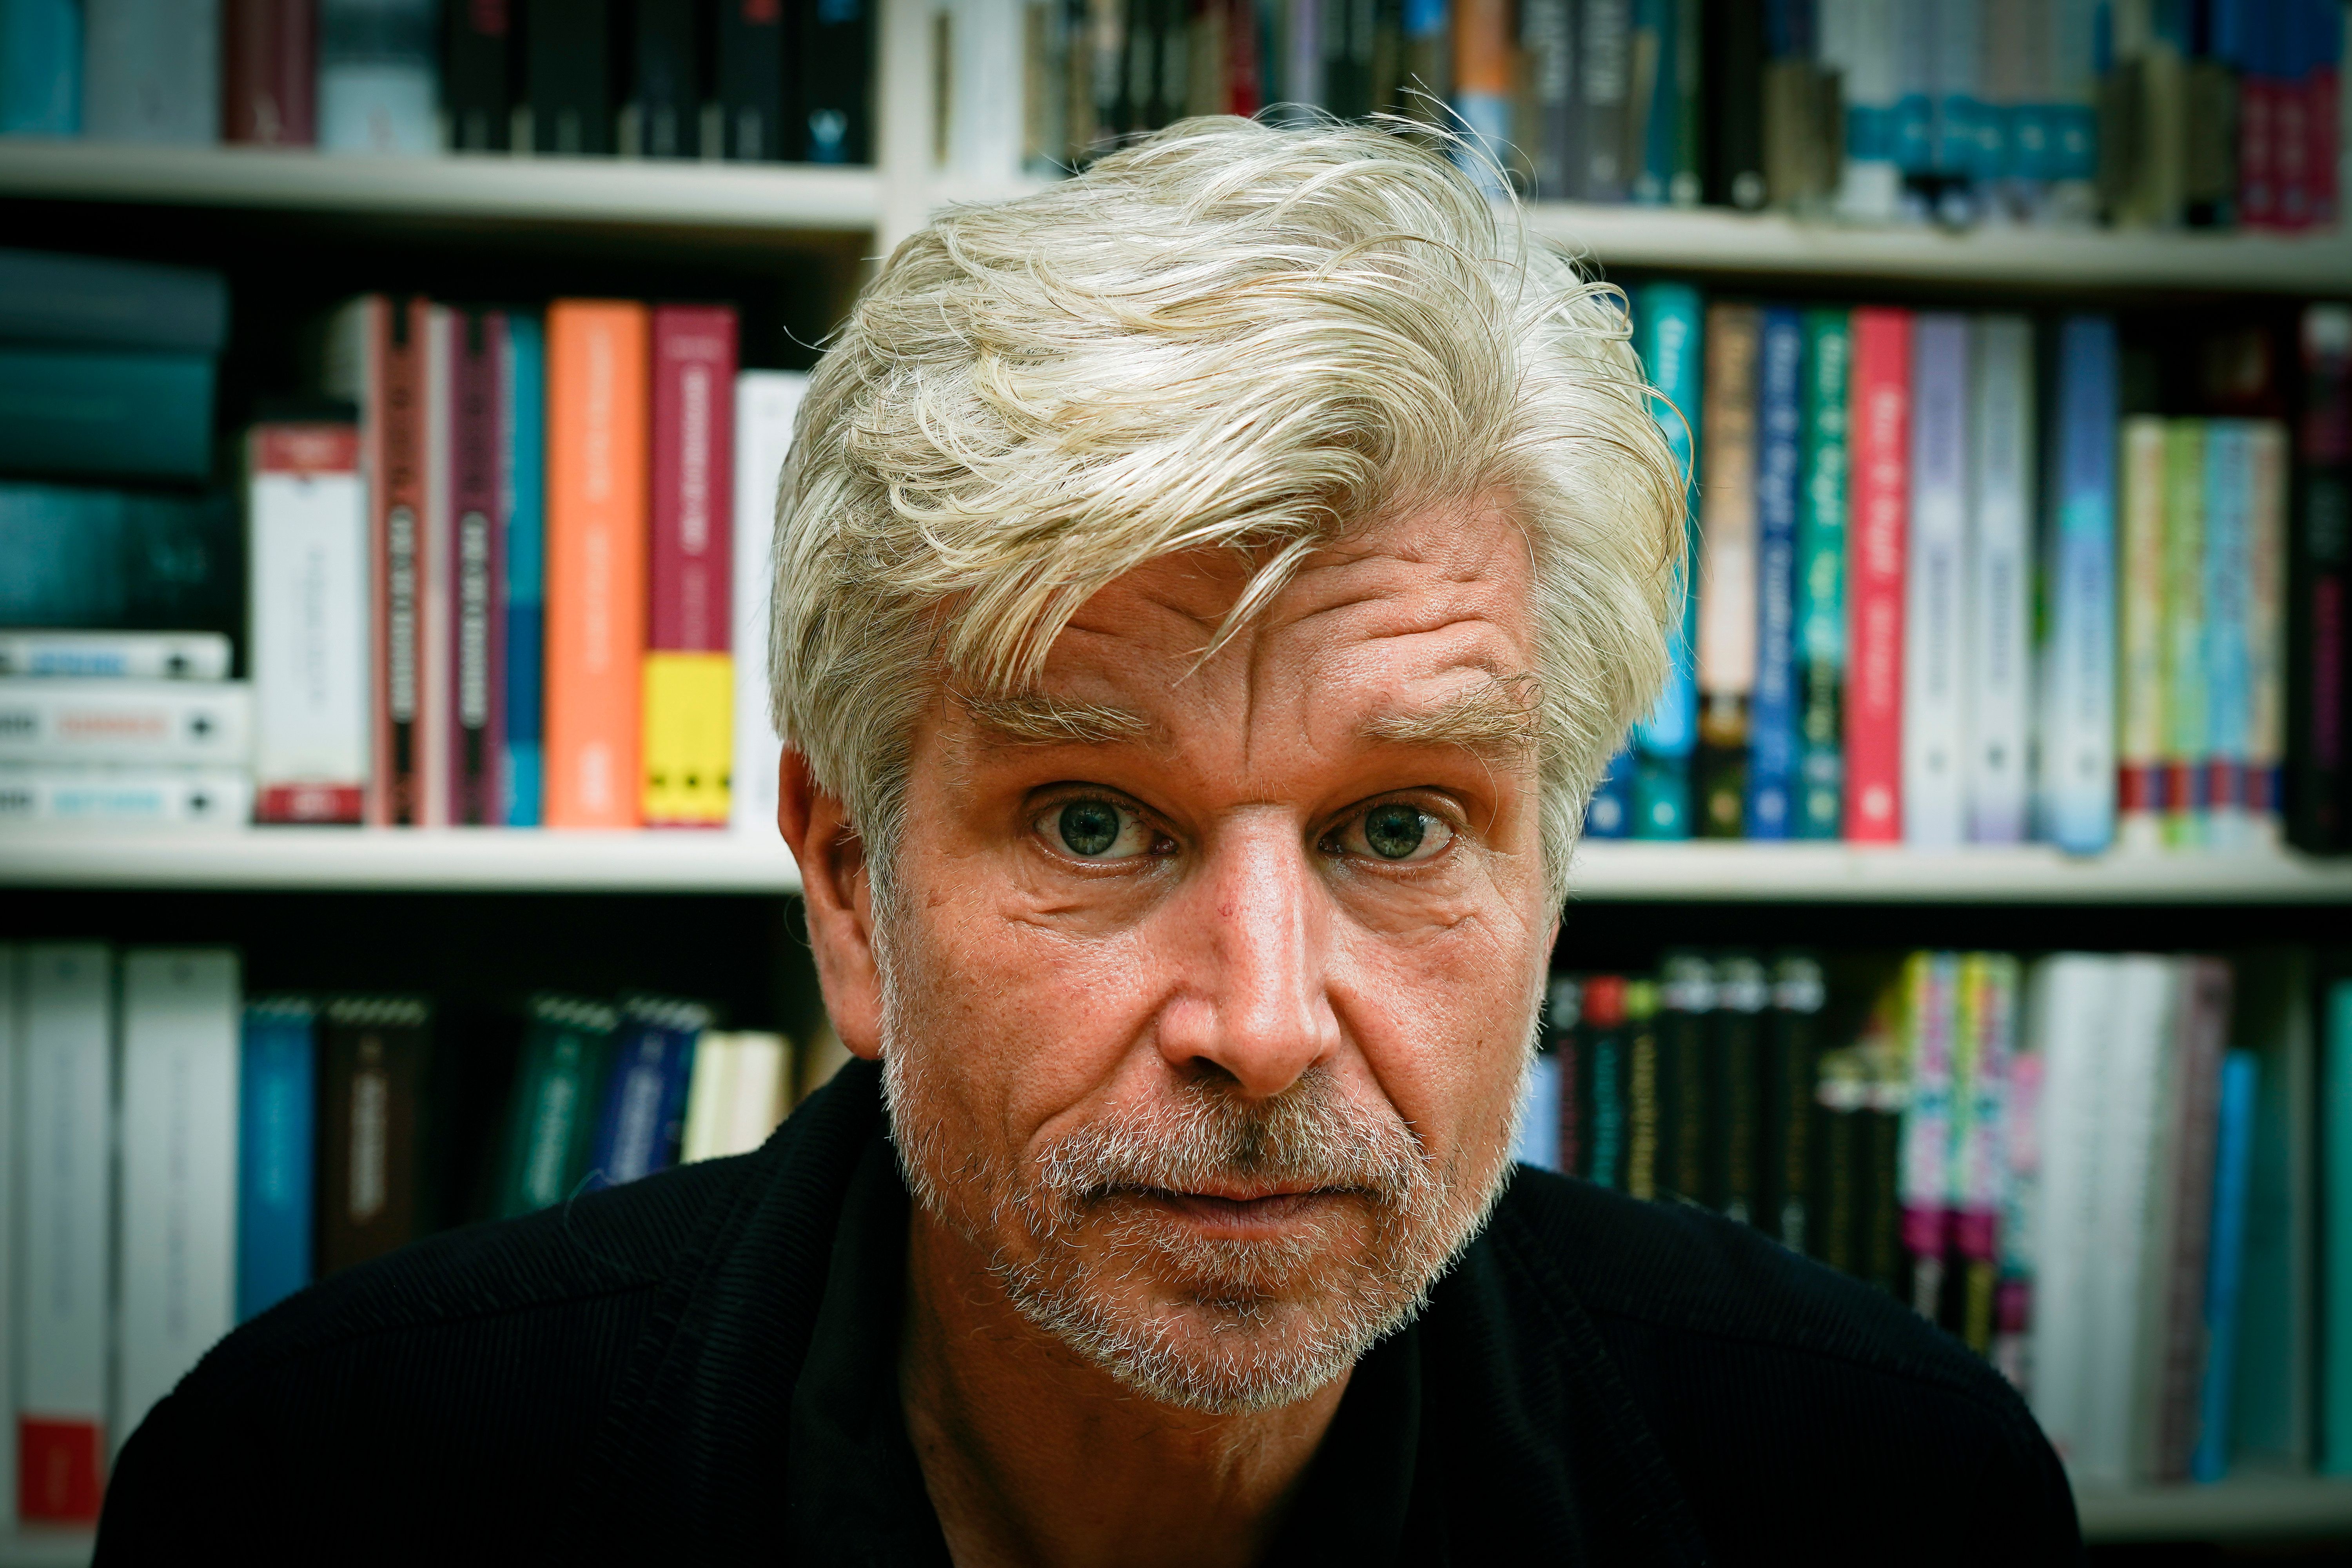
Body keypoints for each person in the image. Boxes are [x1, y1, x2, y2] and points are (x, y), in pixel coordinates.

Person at [97, 118, 2078, 1566]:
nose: (1264, 1026)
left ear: (1548, 879)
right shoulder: (330, 1496)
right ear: (851, 887)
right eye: (1096, 820)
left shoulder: (1887, 1500)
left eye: (1400, 825)